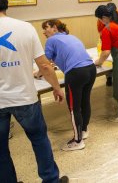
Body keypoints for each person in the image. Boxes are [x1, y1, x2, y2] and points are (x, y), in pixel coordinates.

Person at [0, 0, 68, 182]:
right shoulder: (25, 27)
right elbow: (45, 65)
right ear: (6, 5)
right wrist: (56, 87)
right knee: (39, 140)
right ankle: (51, 179)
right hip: (25, 98)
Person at [35, 19, 96, 151]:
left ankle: (78, 141)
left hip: (76, 73)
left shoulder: (51, 40)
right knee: (85, 102)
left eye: (46, 28)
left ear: (55, 28)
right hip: (90, 69)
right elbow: (51, 62)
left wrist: (38, 73)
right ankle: (84, 131)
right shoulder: (71, 37)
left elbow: (46, 64)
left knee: (74, 108)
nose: (44, 32)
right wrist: (40, 72)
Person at [97, 3, 118, 86]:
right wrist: (105, 40)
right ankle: (109, 77)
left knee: (114, 58)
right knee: (107, 58)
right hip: (108, 39)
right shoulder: (102, 21)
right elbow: (100, 31)